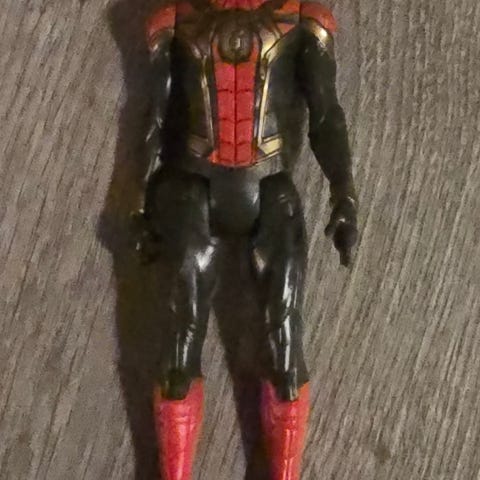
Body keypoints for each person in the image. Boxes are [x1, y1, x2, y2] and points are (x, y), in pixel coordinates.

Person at [134, 0, 358, 478]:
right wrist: (137, 201)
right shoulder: (174, 19)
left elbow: (326, 115)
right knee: (179, 348)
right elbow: (154, 116)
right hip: (193, 188)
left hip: (268, 186)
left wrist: (345, 193)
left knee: (287, 349)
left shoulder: (305, 18)